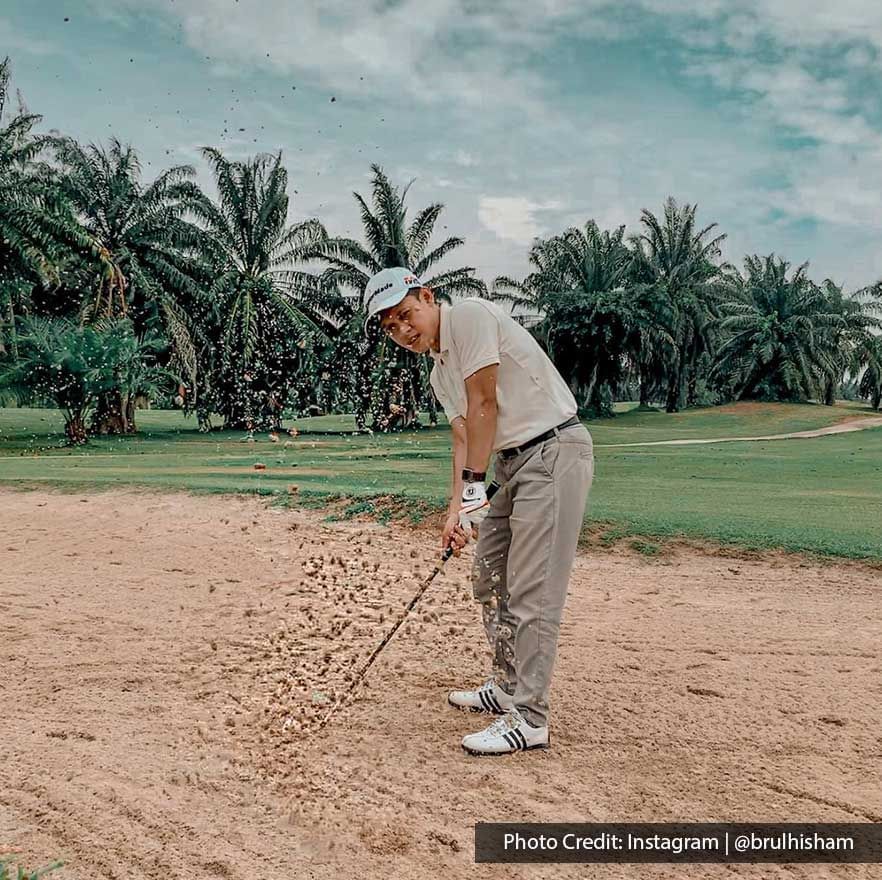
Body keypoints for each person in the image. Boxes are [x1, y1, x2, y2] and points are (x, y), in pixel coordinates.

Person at [364, 266, 594, 756]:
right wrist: (456, 508)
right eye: (390, 327)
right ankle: (507, 685)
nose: (404, 330)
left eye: (406, 315)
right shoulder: (437, 370)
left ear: (427, 297)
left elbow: (485, 403)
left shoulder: (467, 317)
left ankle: (530, 717)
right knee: (490, 577)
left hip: (552, 452)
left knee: (532, 589)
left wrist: (474, 489)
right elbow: (463, 435)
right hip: (511, 465)